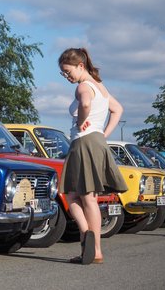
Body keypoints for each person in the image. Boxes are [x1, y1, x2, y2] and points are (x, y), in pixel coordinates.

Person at [58, 48, 127, 265]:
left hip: (83, 142)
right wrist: (103, 134)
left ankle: (86, 233)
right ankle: (95, 250)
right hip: (96, 142)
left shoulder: (83, 87)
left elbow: (86, 104)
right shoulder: (101, 87)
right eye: (63, 74)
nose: (67, 77)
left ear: (80, 66)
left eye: (68, 72)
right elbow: (118, 110)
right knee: (90, 199)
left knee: (70, 195)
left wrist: (81, 122)